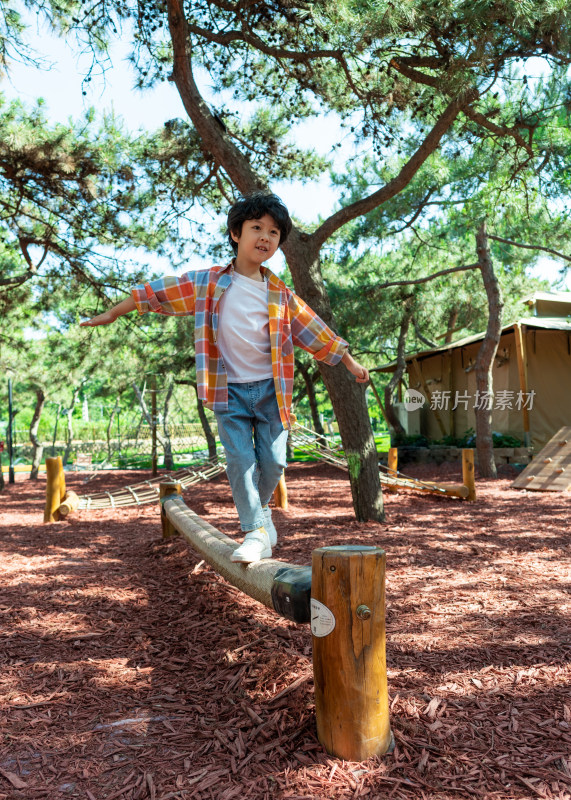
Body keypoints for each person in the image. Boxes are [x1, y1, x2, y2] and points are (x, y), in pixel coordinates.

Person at [81, 192, 369, 563]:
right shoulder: (207, 283)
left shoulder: (281, 295)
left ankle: (260, 514)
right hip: (228, 392)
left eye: (274, 232)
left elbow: (314, 329)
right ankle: (253, 532)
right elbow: (155, 293)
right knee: (240, 462)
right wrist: (113, 313)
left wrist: (349, 361)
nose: (265, 237)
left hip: (272, 392)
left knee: (275, 464)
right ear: (236, 233)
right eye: (256, 228)